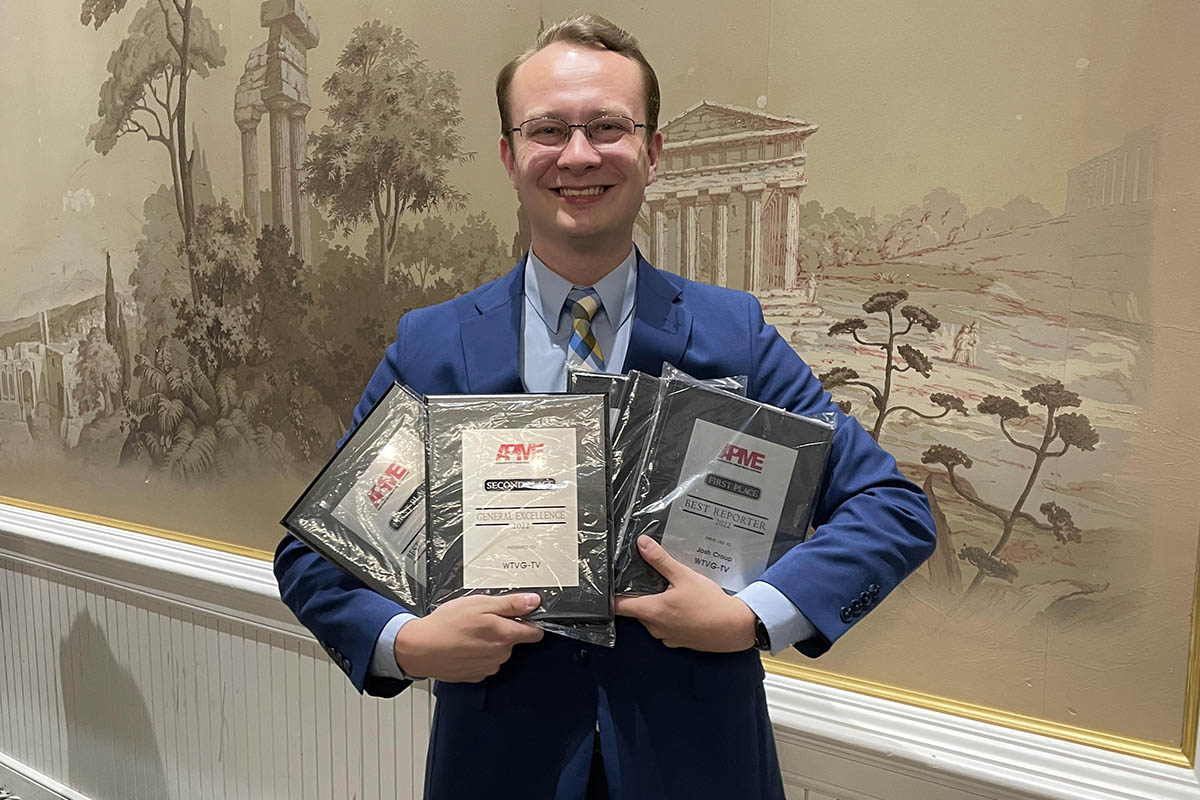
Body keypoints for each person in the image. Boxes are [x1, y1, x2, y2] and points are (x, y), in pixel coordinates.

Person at [274, 15, 936, 800]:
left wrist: (753, 617)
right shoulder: (433, 348)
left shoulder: (736, 338)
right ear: (510, 155)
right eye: (547, 129)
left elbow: (891, 508)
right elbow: (316, 554)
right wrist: (406, 642)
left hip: (697, 769)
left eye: (608, 127)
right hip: (496, 770)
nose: (579, 155)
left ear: (652, 153)